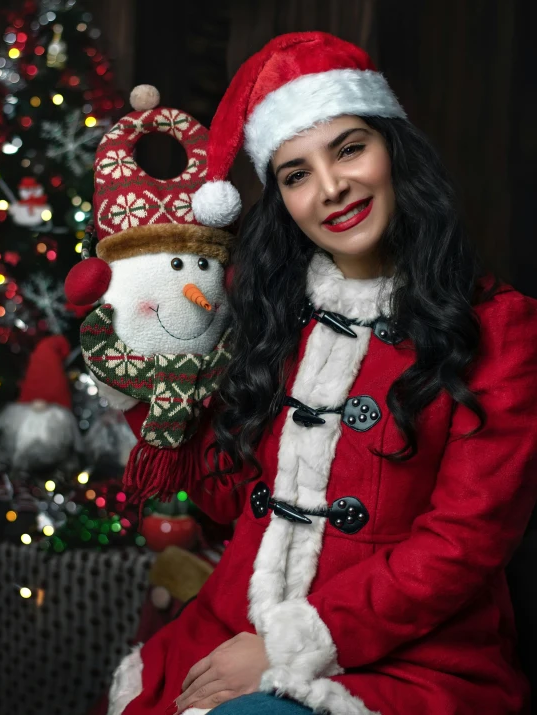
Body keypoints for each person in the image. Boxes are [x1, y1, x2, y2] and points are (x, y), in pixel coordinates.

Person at [108, 31, 537, 715]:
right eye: (296, 173)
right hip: (235, 628)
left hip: (407, 659)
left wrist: (294, 642)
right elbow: (228, 506)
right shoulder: (273, 313)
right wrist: (146, 392)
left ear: (392, 149)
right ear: (281, 197)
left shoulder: (502, 326)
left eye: (349, 148)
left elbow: (465, 541)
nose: (332, 188)